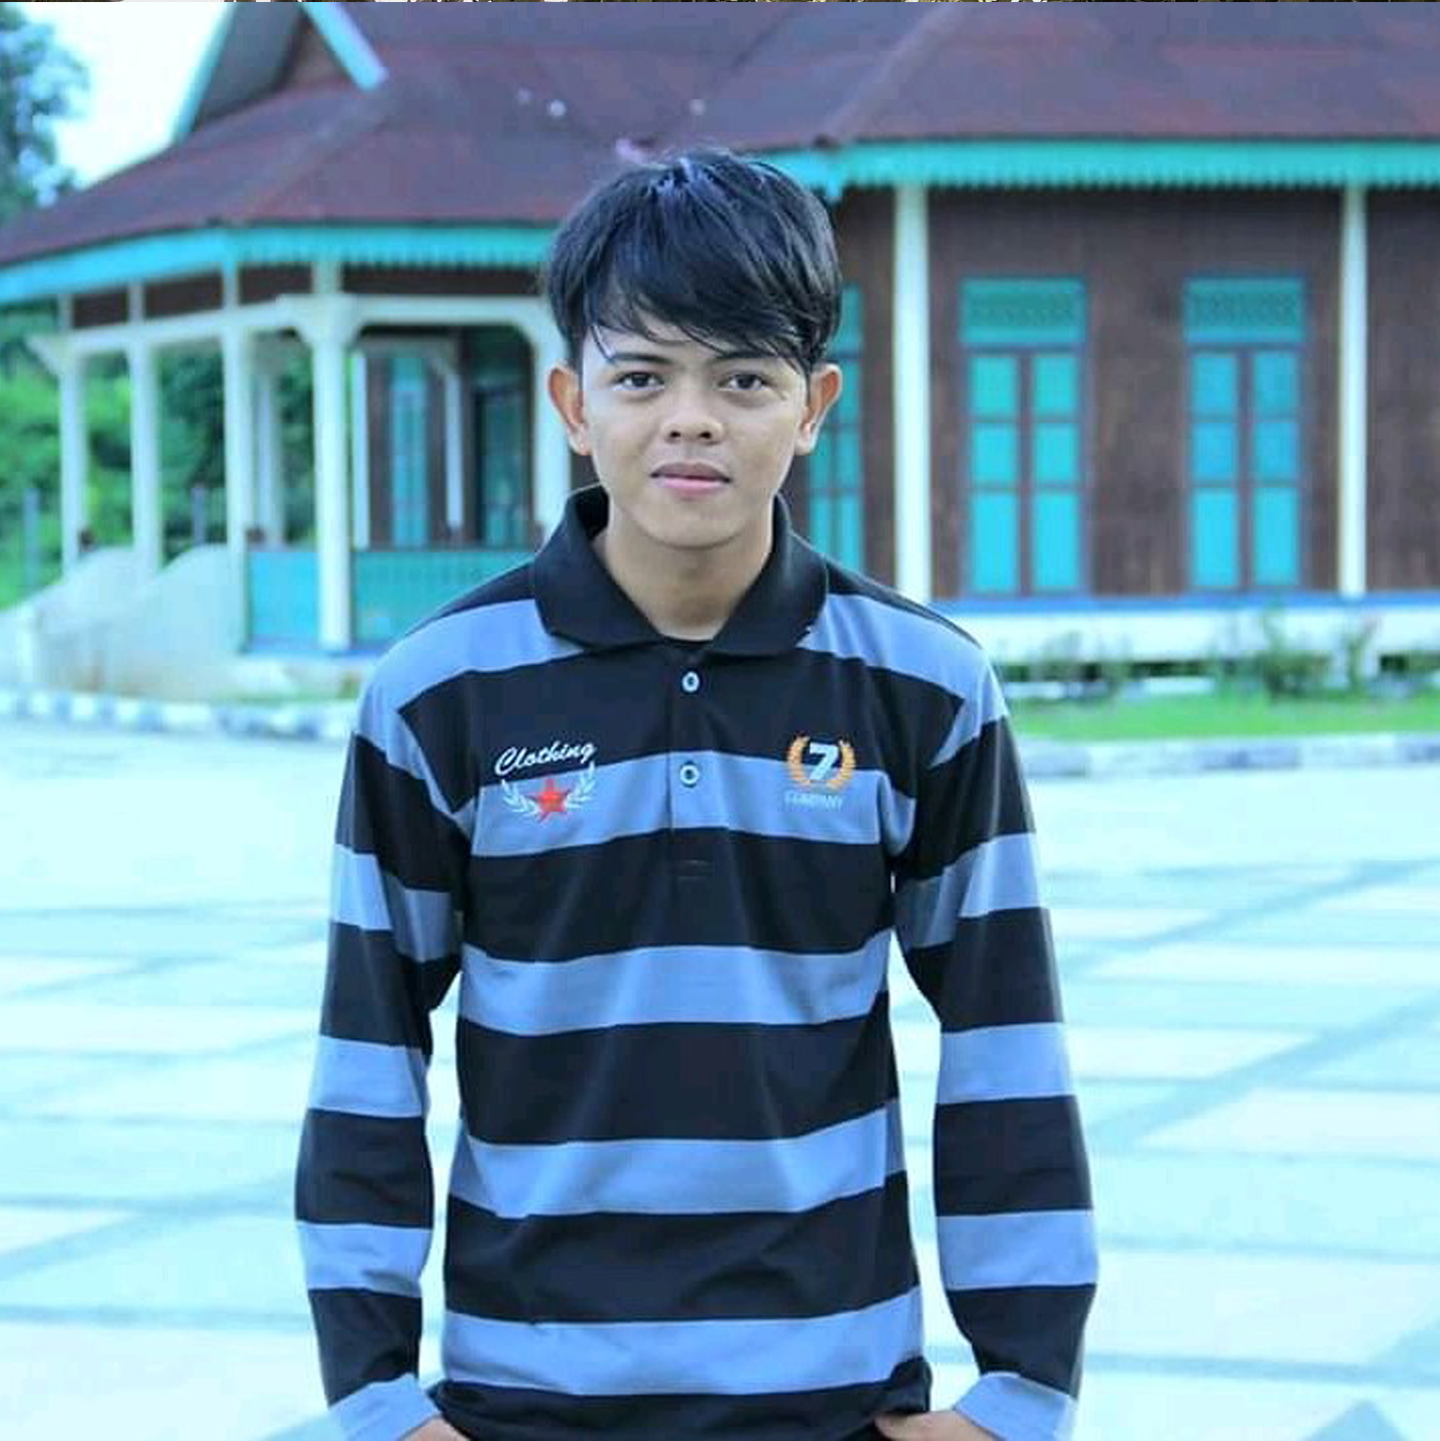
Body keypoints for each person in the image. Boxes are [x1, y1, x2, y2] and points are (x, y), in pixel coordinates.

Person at [295, 146, 1097, 1441]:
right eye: (641, 376)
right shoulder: (439, 694)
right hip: (526, 1397)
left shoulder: (923, 687)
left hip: (832, 1394)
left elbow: (1006, 1042)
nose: (692, 419)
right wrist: (376, 1401)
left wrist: (1021, 1391)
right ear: (572, 402)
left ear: (814, 405)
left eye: (743, 378)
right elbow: (367, 1055)